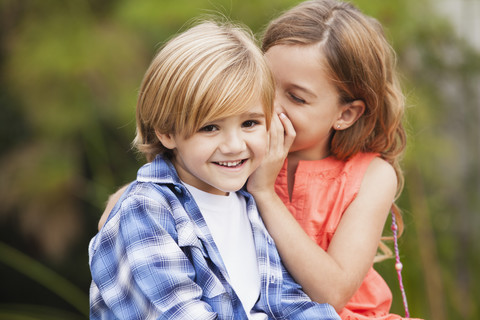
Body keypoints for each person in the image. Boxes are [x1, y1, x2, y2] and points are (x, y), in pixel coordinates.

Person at [88, 19, 340, 319]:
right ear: (167, 132)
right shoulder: (147, 212)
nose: (234, 145)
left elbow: (288, 303)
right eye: (210, 127)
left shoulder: (248, 207)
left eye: (250, 123)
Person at [246, 0, 422, 319]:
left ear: (345, 113)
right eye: (266, 84)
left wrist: (264, 194)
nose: (271, 106)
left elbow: (332, 294)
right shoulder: (239, 147)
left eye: (297, 97)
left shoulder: (372, 176)